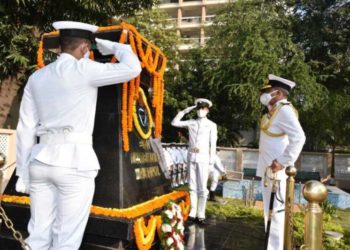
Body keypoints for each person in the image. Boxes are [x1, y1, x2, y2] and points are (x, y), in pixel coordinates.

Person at [15, 21, 141, 249]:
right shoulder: (85, 69)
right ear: (84, 47)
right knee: (66, 239)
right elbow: (133, 68)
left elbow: (25, 128)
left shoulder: (37, 78)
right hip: (74, 164)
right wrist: (115, 47)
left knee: (38, 236)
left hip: (40, 161)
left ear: (61, 46)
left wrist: (23, 173)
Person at [257, 74, 306, 250]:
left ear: (278, 93)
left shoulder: (284, 110)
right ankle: (271, 245)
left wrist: (283, 161)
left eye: (268, 92)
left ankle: (275, 247)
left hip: (276, 170)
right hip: (268, 169)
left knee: (276, 211)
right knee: (269, 211)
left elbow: (299, 138)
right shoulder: (273, 111)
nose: (264, 95)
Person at [171, 98, 217, 225]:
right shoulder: (191, 122)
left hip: (203, 158)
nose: (200, 111)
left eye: (202, 108)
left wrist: (211, 163)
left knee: (202, 188)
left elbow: (213, 144)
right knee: (192, 186)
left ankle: (201, 214)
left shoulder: (211, 125)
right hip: (191, 157)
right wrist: (185, 110)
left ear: (207, 110)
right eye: (198, 108)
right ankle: (193, 212)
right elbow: (174, 123)